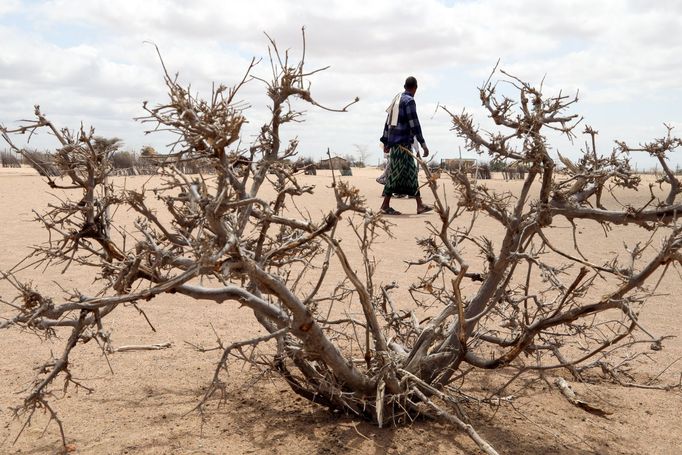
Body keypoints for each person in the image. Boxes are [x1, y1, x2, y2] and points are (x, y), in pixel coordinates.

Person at [379, 76, 432, 215]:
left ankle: (419, 205)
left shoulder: (396, 100)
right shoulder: (409, 101)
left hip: (398, 144)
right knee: (394, 175)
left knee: (411, 174)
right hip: (402, 144)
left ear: (404, 86)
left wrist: (385, 141)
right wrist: (423, 143)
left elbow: (387, 122)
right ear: (415, 88)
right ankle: (385, 205)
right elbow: (414, 123)